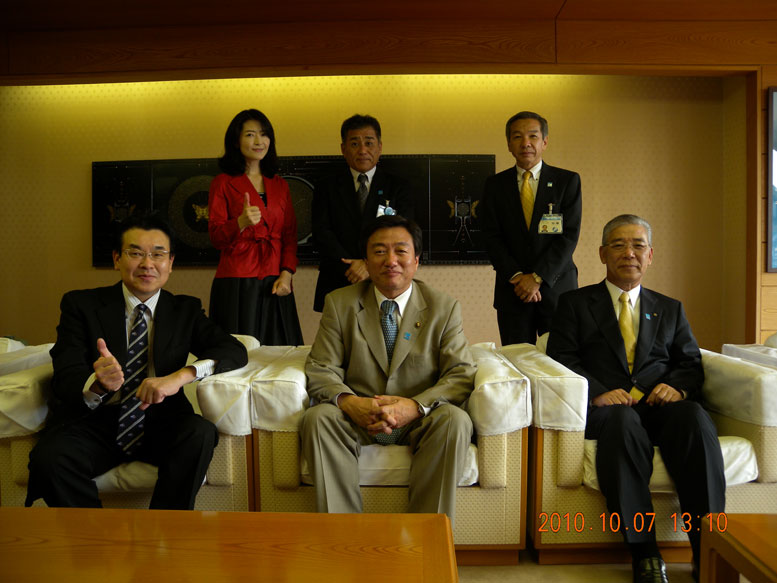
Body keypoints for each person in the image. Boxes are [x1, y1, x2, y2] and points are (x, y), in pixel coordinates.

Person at [546, 214, 725, 583]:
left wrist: (677, 388)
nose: (629, 253)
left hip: (661, 408)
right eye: (619, 245)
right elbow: (561, 359)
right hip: (608, 412)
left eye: (638, 246)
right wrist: (597, 392)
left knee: (693, 418)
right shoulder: (574, 303)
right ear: (602, 254)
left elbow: (690, 363)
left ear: (650, 255)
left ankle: (707, 548)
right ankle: (645, 554)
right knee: (623, 423)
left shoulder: (670, 308)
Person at [26, 215, 248, 509]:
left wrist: (180, 377)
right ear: (117, 259)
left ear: (170, 263)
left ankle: (164, 529)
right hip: (97, 423)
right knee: (50, 457)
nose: (147, 264)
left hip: (162, 422)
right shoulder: (81, 305)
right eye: (135, 253)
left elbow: (233, 350)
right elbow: (66, 374)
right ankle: (92, 534)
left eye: (158, 254)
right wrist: (97, 384)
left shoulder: (185, 309)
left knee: (200, 433)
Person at [301, 215, 475, 523]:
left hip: (419, 418)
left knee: (455, 420)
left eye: (401, 251)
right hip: (359, 416)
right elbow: (320, 367)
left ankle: (424, 535)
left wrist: (415, 406)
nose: (390, 260)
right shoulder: (340, 303)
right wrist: (350, 403)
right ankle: (343, 534)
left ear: (416, 260)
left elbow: (460, 373)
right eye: (379, 251)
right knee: (318, 418)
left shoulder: (443, 307)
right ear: (366, 261)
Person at [480, 111, 582, 345]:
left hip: (556, 289)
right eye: (517, 137)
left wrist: (537, 278)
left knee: (559, 359)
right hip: (513, 291)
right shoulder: (494, 185)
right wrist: (518, 277)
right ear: (509, 144)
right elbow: (491, 237)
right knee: (516, 360)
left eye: (533, 136)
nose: (525, 143)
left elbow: (569, 236)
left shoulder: (567, 181)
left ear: (544, 142)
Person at [208, 108, 303, 345]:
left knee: (279, 351)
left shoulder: (280, 185)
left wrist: (287, 273)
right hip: (237, 280)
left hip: (275, 278)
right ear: (236, 141)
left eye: (264, 134)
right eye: (250, 135)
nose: (259, 141)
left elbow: (289, 236)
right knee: (239, 352)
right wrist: (240, 223)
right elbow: (216, 237)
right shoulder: (222, 183)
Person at [311, 114, 414, 312]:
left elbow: (404, 233)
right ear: (343, 149)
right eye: (354, 144)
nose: (363, 150)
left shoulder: (399, 187)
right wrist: (351, 266)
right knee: (339, 331)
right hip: (338, 277)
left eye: (369, 143)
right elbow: (322, 232)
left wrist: (367, 265)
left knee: (384, 329)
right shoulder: (326, 186)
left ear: (379, 147)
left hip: (384, 276)